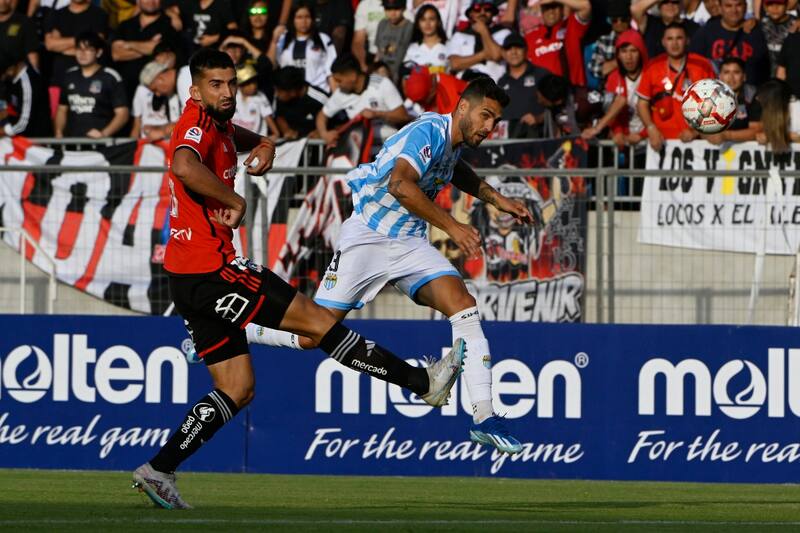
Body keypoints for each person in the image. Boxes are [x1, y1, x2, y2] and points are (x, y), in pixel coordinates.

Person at [131, 47, 465, 509]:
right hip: (213, 268)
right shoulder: (194, 123)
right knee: (318, 324)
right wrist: (237, 199)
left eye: (231, 83)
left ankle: (158, 469)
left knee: (237, 388)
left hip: (188, 275)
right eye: (216, 85)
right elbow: (183, 164)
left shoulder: (219, 123)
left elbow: (234, 137)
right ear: (195, 90)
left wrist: (264, 144)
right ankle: (421, 382)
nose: (227, 92)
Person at [249, 77, 533, 455]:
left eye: (494, 121)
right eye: (485, 116)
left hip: (410, 243)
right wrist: (453, 226)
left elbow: (456, 171)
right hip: (368, 237)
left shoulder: (450, 146)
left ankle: (484, 417)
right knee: (311, 335)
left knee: (463, 305)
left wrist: (498, 200)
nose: (488, 127)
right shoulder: (428, 131)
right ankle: (238, 331)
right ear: (462, 107)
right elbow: (401, 185)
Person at [636, 22, 715, 151]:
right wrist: (651, 128)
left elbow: (713, 103)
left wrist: (695, 132)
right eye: (670, 39)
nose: (674, 43)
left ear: (687, 41)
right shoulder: (653, 66)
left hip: (696, 143)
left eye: (679, 38)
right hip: (661, 142)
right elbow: (642, 103)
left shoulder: (702, 65)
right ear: (663, 42)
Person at [315, 54, 409, 145]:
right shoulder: (341, 93)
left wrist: (378, 114)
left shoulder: (382, 83)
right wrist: (324, 134)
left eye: (339, 80)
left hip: (388, 146)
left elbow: (403, 116)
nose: (337, 85)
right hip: (361, 151)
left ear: (352, 75)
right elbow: (322, 116)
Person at [54, 32, 129, 138]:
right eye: (79, 49)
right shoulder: (69, 75)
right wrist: (58, 133)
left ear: (98, 52)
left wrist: (103, 134)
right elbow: (62, 109)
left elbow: (123, 114)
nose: (82, 53)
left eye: (88, 49)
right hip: (72, 144)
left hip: (101, 146)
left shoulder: (110, 77)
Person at [582, 29, 648, 147]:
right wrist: (617, 132)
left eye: (633, 51)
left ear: (641, 52)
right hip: (624, 140)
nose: (629, 57)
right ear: (618, 55)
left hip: (649, 141)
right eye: (624, 51)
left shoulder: (651, 75)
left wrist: (642, 134)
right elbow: (612, 108)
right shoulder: (613, 77)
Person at [111, 0, 183, 105]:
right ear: (138, 1)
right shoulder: (125, 25)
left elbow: (163, 53)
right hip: (125, 90)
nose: (150, 1)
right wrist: (149, 46)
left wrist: (129, 45)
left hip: (155, 91)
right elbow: (116, 54)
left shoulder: (169, 24)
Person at [690, 0, 770, 86]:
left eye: (738, 5)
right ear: (720, 8)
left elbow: (764, 69)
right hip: (712, 94)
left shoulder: (757, 32)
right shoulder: (705, 33)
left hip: (748, 94)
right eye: (728, 6)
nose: (734, 10)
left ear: (746, 6)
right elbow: (693, 66)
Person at [43, 0, 109, 95]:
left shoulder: (99, 14)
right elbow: (50, 45)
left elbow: (96, 43)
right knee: (58, 110)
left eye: (82, 49)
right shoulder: (56, 14)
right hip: (60, 77)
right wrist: (84, 41)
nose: (80, 51)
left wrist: (63, 46)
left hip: (91, 79)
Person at [268, 1, 337, 91]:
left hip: (318, 96)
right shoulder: (283, 40)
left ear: (312, 19)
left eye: (307, 17)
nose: (304, 21)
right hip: (290, 95)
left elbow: (331, 72)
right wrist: (274, 41)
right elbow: (270, 65)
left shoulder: (323, 39)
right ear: (292, 19)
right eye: (299, 17)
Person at [523, 0, 591, 88]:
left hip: (572, 90)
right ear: (542, 10)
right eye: (547, 8)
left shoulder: (571, 26)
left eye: (555, 7)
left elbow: (586, 6)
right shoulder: (530, 37)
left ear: (562, 8)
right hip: (543, 94)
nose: (551, 11)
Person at [497, 32, 546, 139]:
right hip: (508, 144)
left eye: (518, 47)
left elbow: (557, 107)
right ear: (503, 53)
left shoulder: (541, 75)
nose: (514, 52)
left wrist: (539, 118)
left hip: (537, 140)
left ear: (526, 50)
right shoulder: (500, 83)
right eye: (509, 48)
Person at [447, 0, 511, 81]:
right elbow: (455, 64)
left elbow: (496, 55)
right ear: (470, 13)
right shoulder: (459, 35)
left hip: (495, 85)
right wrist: (484, 54)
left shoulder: (504, 32)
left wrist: (484, 31)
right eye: (477, 9)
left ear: (492, 13)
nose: (482, 12)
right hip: (466, 86)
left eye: (487, 9)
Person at [702, 56, 758, 144]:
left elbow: (756, 131)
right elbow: (702, 127)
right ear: (720, 76)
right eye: (726, 72)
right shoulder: (709, 97)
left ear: (744, 77)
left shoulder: (753, 96)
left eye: (736, 72)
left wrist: (726, 136)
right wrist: (693, 133)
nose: (731, 77)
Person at [0, 54, 52, 137]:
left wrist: (3, 131)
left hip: (35, 141)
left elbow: (23, 123)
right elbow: (9, 109)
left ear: (11, 69)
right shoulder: (10, 80)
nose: (2, 78)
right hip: (18, 136)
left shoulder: (28, 83)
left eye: (2, 74)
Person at [273, 64, 328, 138]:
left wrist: (321, 132)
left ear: (292, 91)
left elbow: (339, 122)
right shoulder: (281, 99)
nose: (276, 94)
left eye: (279, 91)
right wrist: (287, 131)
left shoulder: (320, 99)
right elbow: (280, 117)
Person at [130, 60, 180, 140]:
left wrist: (161, 132)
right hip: (146, 140)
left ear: (161, 78)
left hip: (167, 140)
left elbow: (180, 123)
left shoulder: (175, 93)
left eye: (155, 89)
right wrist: (132, 145)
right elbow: (137, 122)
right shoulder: (141, 90)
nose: (157, 94)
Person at [631, 0, 699, 58]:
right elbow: (635, 9)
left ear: (680, 5)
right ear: (658, 6)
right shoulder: (650, 24)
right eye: (665, 2)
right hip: (654, 71)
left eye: (674, 2)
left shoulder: (693, 27)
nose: (670, 5)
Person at [586, 0, 631, 87]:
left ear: (629, 20)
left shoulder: (638, 38)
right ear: (610, 21)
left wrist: (610, 66)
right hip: (609, 91)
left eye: (623, 19)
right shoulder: (603, 40)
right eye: (615, 20)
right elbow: (595, 69)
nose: (619, 23)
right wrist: (621, 61)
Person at [232, 63, 279, 137]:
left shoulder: (260, 96)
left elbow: (268, 117)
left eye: (254, 82)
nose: (253, 86)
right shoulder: (234, 95)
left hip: (256, 140)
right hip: (235, 138)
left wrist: (276, 133)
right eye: (248, 84)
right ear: (240, 86)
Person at [374, 0, 413, 82]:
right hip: (380, 70)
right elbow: (378, 53)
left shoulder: (409, 26)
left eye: (396, 9)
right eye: (388, 9)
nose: (392, 13)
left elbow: (406, 55)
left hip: (398, 71)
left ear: (404, 8)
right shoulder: (382, 24)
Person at [403, 4, 448, 73]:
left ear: (438, 22)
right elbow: (406, 77)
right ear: (418, 24)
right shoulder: (412, 48)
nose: (427, 24)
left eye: (431, 19)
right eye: (423, 20)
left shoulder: (449, 46)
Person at [0, 0, 39, 71]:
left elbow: (32, 56)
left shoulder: (25, 22)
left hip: (15, 76)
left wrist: (35, 76)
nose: (2, 1)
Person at [761, 0, 796, 78]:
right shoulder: (761, 24)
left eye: (779, 4)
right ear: (765, 7)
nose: (775, 8)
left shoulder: (796, 24)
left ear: (786, 5)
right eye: (770, 4)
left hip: (789, 77)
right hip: (765, 78)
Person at [351, 0, 384, 71]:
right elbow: (358, 41)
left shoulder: (402, 3)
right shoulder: (365, 4)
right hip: (372, 57)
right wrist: (363, 66)